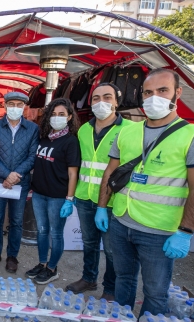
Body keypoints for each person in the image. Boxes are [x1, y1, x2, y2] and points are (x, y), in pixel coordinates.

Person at [97, 68, 194, 317]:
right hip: (121, 221)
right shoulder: (127, 131)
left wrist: (185, 232)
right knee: (123, 279)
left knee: (155, 290)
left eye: (163, 91)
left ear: (177, 93)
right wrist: (101, 207)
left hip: (158, 231)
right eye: (148, 92)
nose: (154, 98)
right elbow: (110, 173)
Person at [65, 83, 135, 300]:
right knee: (89, 243)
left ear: (116, 101)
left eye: (107, 97)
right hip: (85, 195)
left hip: (113, 200)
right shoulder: (84, 129)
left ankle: (110, 289)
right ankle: (88, 278)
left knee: (112, 249)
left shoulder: (128, 130)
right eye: (96, 98)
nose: (101, 102)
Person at [25, 98, 81, 285]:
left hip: (58, 197)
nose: (57, 118)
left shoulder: (70, 142)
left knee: (56, 234)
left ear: (69, 117)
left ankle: (52, 268)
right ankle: (42, 263)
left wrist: (69, 199)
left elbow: (73, 173)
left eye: (61, 114)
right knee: (42, 231)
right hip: (39, 194)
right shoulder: (44, 137)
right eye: (54, 114)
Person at [0, 92, 39, 273]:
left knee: (16, 221)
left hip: (20, 183)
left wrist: (16, 175)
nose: (15, 107)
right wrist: (7, 175)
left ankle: (12, 257)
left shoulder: (32, 129)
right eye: (11, 104)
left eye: (19, 104)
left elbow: (32, 156)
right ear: (6, 106)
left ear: (24, 107)